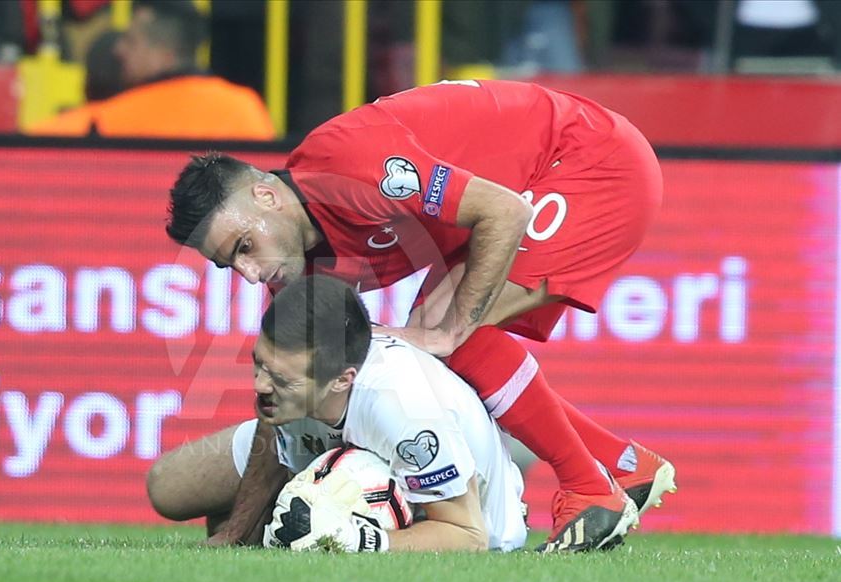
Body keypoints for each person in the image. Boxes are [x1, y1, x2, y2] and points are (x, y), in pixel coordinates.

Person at [164, 79, 676, 552]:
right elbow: (284, 397)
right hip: (522, 186)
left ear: (266, 196)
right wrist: (237, 531)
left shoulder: (350, 164)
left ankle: (589, 487)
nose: (250, 273)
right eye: (229, 264)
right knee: (439, 343)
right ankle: (621, 465)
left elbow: (505, 213)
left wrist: (449, 331)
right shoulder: (291, 266)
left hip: (588, 159)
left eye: (245, 246)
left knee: (451, 336)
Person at [148, 275, 532, 552]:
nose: (260, 385)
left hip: (470, 520)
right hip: (327, 430)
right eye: (259, 364)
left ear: (341, 379)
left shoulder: (405, 409)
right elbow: (272, 426)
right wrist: (236, 531)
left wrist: (357, 540)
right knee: (168, 488)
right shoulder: (295, 384)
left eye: (279, 378)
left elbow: (468, 535)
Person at [28, 0, 273, 139]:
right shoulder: (245, 108)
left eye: (131, 41)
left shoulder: (116, 117)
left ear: (165, 52)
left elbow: (38, 142)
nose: (119, 50)